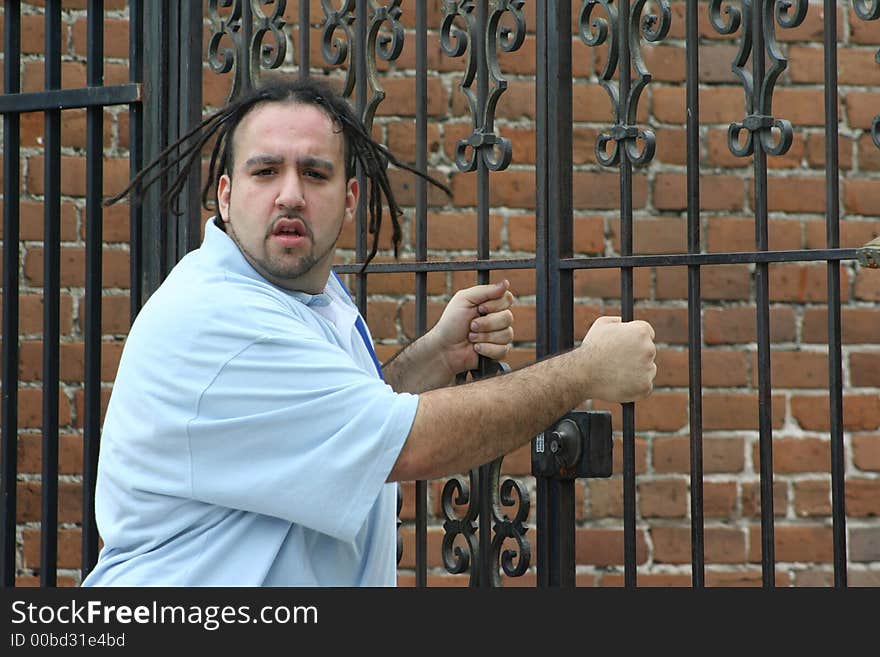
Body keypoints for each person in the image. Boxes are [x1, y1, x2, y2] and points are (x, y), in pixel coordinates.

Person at [82, 76, 657, 587]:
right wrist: (587, 368)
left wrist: (435, 355)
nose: (290, 193)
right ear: (227, 198)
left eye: (315, 172)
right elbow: (406, 444)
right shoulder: (220, 319)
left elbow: (328, 425)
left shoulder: (305, 298)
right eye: (265, 171)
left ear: (349, 200)